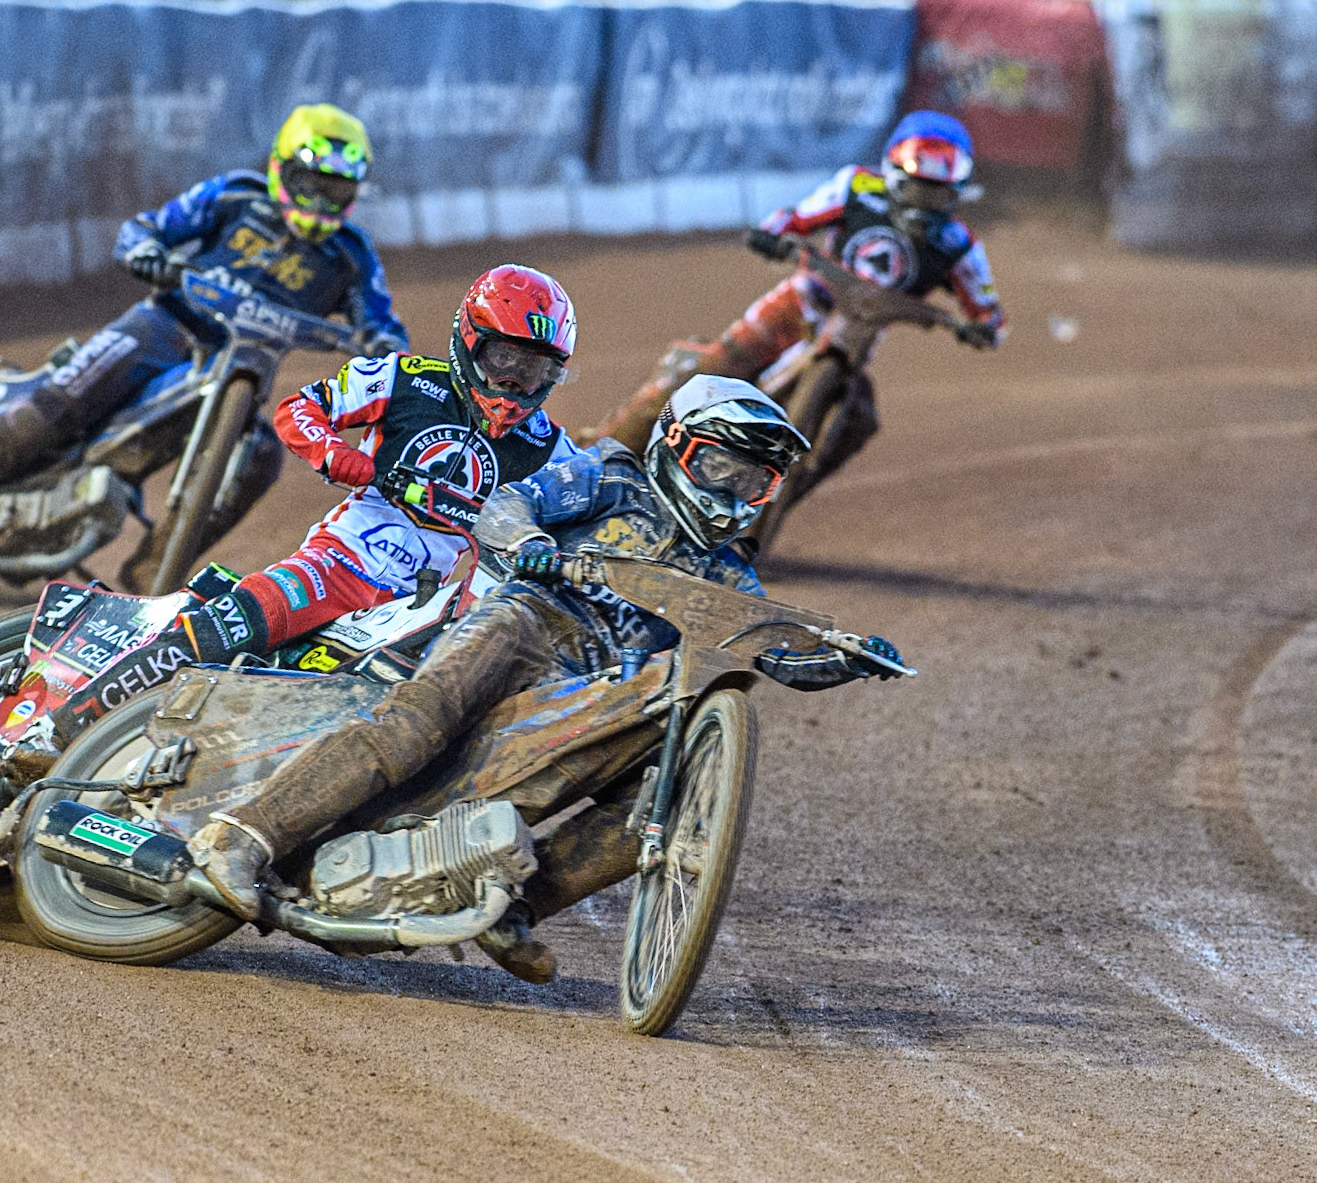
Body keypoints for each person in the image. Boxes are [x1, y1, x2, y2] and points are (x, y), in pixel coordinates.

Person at [187, 375, 905, 982]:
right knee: (417, 722)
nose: (735, 490)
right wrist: (528, 542)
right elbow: (509, 502)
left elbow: (772, 651)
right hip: (526, 621)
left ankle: (515, 910)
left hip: (589, 688)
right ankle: (241, 834)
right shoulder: (609, 477)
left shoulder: (726, 570)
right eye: (723, 468)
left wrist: (839, 658)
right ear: (678, 446)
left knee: (659, 797)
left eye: (754, 479)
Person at [51, 264, 582, 742]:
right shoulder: (404, 379)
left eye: (532, 369)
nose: (513, 382)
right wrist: (350, 462)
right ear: (470, 341)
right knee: (232, 628)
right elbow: (300, 408)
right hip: (339, 563)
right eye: (503, 358)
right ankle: (56, 731)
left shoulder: (552, 448)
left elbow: (592, 503)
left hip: (425, 609)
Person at [0, 104, 408, 579]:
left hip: (241, 370)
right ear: (281, 169)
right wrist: (147, 252)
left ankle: (148, 579)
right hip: (162, 328)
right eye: (311, 181)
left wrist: (383, 347)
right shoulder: (234, 195)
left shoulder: (351, 255)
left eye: (336, 189)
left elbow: (384, 326)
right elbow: (146, 228)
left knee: (262, 458)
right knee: (59, 398)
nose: (320, 199)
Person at [590, 111, 1007, 455]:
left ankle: (779, 499)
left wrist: (984, 327)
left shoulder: (960, 244)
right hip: (805, 299)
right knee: (709, 373)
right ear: (895, 174)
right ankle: (602, 454)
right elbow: (795, 216)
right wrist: (773, 233)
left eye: (936, 194)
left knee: (858, 425)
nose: (923, 203)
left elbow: (988, 309)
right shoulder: (857, 187)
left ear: (957, 191)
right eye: (918, 187)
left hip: (861, 333)